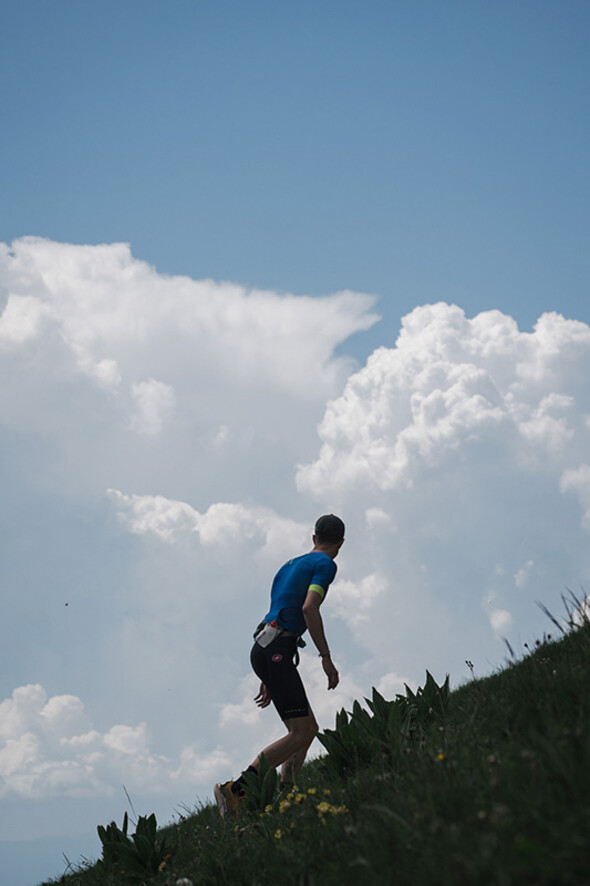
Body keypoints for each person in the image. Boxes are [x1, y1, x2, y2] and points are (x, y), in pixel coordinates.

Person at [214, 514, 345, 816]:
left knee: (306, 729)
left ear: (313, 538)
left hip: (265, 648)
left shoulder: (288, 565)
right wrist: (325, 657)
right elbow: (309, 607)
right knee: (301, 732)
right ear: (340, 543)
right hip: (276, 651)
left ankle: (288, 796)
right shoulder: (325, 565)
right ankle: (234, 792)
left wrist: (268, 674)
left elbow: (278, 610)